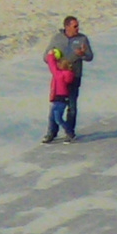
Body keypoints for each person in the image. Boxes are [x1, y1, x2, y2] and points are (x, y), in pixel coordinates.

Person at [44, 16, 95, 144]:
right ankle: (51, 133)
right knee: (55, 106)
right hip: (59, 79)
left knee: (72, 105)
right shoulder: (57, 38)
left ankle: (70, 132)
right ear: (67, 27)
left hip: (74, 76)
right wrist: (54, 59)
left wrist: (82, 54)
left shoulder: (82, 39)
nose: (78, 28)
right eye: (75, 26)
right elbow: (46, 57)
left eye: (78, 26)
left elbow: (90, 57)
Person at [48, 45, 77, 144]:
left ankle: (70, 133)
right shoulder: (66, 74)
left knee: (58, 119)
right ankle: (52, 134)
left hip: (59, 100)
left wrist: (51, 56)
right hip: (58, 99)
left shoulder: (59, 74)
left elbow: (52, 66)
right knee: (52, 118)